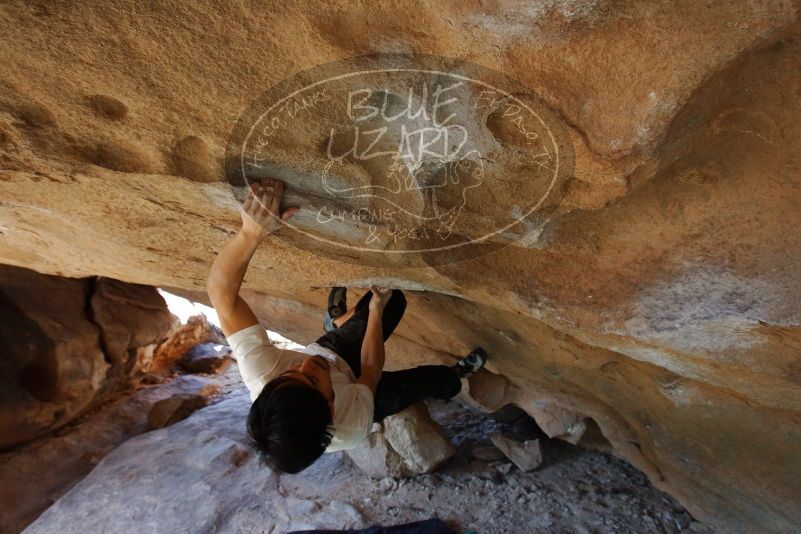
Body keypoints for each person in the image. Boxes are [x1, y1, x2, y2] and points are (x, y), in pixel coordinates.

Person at [206, 177, 488, 474]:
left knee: (394, 301)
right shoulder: (352, 423)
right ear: (331, 407)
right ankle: (455, 377)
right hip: (363, 388)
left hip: (333, 354)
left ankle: (338, 322)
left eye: (292, 372)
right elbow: (369, 370)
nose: (307, 364)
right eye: (312, 380)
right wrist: (374, 315)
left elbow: (222, 296)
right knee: (424, 382)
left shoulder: (262, 373)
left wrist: (250, 234)